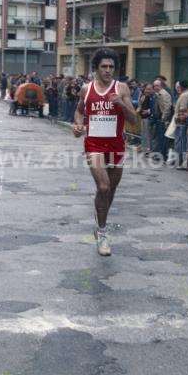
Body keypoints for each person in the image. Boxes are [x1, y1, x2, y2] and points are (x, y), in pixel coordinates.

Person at [73, 48, 136, 256]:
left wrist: (121, 103)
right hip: (94, 145)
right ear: (96, 68)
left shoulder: (122, 88)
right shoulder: (86, 89)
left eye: (111, 67)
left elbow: (134, 120)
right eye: (104, 67)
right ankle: (102, 233)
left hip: (116, 145)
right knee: (103, 185)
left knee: (110, 191)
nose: (108, 70)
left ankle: (101, 219)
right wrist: (77, 125)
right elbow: (80, 111)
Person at [137, 83, 154, 154]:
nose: (147, 91)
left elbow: (154, 107)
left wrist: (148, 111)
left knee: (148, 134)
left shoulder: (153, 97)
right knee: (143, 133)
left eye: (149, 89)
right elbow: (140, 105)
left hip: (149, 118)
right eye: (146, 89)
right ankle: (144, 147)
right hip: (142, 117)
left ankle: (148, 149)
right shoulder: (143, 96)